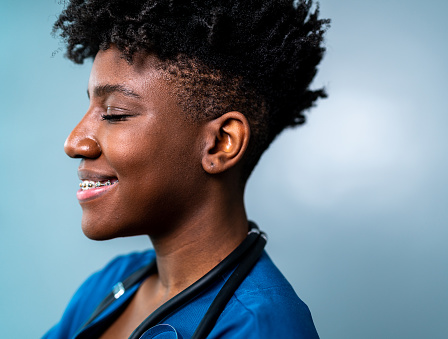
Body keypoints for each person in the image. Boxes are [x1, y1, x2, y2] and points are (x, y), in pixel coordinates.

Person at [44, 0, 329, 338]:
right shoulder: (108, 284)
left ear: (221, 143)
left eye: (114, 113)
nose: (75, 142)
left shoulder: (262, 326)